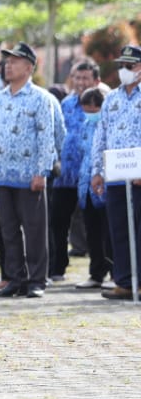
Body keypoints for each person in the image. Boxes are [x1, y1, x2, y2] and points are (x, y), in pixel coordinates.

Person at [0, 42, 59, 298]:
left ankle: (37, 280)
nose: (8, 66)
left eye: (14, 61)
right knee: (9, 231)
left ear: (29, 67)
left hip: (29, 175)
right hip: (3, 174)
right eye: (6, 61)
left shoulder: (41, 98)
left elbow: (48, 137)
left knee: (35, 230)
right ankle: (15, 278)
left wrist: (42, 171)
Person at [90, 44, 141, 300]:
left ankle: (140, 282)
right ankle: (124, 281)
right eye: (122, 66)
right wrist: (97, 171)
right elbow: (101, 136)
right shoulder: (112, 98)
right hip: (116, 174)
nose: (124, 71)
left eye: (129, 66)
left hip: (140, 176)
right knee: (118, 229)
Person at [50, 59, 102, 281]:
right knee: (58, 223)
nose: (80, 82)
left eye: (85, 78)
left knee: (94, 225)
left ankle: (98, 272)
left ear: (96, 81)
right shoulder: (65, 103)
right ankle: (57, 268)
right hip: (65, 176)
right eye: (77, 78)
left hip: (91, 176)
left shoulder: (103, 104)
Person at [74, 87, 112, 289]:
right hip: (86, 185)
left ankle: (116, 273)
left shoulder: (108, 124)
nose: (90, 114)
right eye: (86, 109)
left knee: (110, 232)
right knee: (92, 232)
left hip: (106, 185)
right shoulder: (84, 125)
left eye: (93, 109)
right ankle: (96, 273)